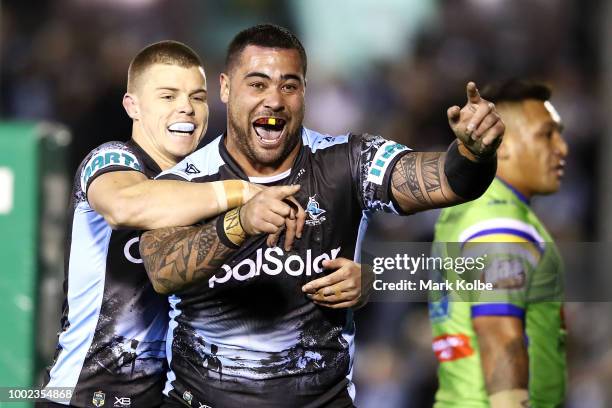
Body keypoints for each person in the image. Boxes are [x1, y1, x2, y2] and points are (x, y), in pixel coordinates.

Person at [139, 24, 505, 407]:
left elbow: (449, 182)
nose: (275, 101)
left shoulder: (348, 162)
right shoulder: (183, 182)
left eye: (289, 86)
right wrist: (241, 222)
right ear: (226, 88)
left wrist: (474, 153)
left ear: (304, 92)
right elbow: (162, 271)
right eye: (257, 84)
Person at [39, 40, 312, 407]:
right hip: (84, 397)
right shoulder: (112, 160)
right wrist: (241, 193)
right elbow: (124, 205)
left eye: (197, 97)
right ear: (132, 106)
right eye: (167, 96)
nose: (186, 107)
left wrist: (363, 282)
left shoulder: (202, 179)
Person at [428, 79, 568, 407]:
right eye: (547, 134)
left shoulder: (470, 206)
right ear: (501, 143)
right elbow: (499, 335)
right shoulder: (499, 224)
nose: (562, 147)